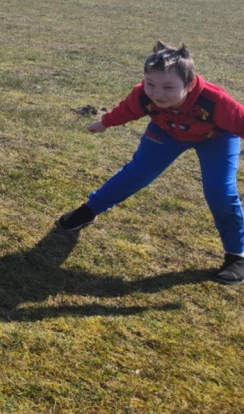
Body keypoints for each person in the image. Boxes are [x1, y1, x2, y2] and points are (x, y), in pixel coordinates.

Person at [57, 42, 244, 285]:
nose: (157, 94)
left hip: (216, 138)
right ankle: (89, 210)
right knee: (136, 173)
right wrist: (106, 122)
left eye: (168, 87)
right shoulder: (144, 95)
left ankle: (236, 254)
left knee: (219, 190)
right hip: (167, 131)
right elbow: (128, 109)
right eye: (151, 84)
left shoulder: (215, 101)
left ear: (189, 85)